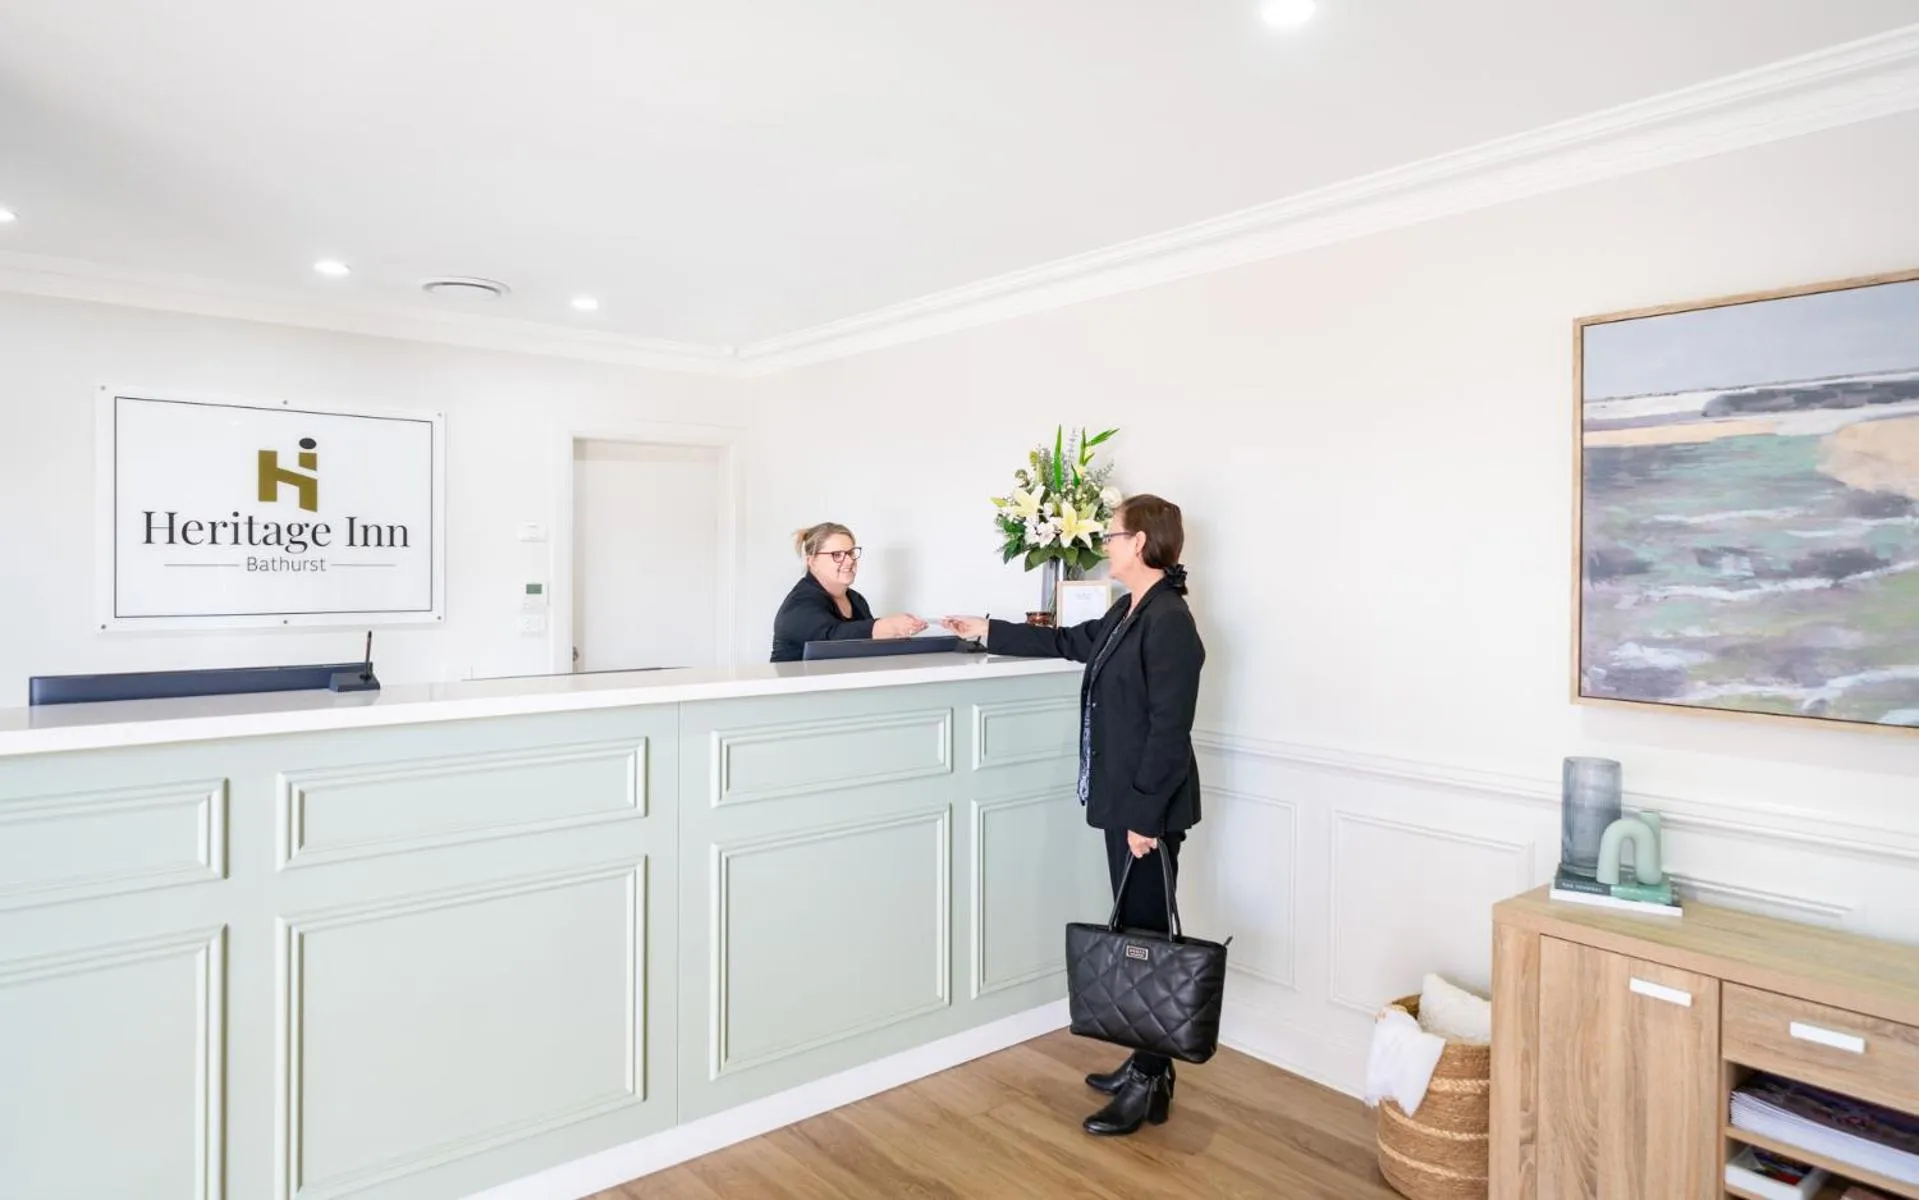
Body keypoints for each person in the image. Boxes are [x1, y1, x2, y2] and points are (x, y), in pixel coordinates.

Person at [941, 493, 1204, 1138]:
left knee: (1144, 939)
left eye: (1112, 536)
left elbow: (1170, 729)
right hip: (1125, 802)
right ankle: (1151, 1069)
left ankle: (1148, 1079)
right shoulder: (1128, 609)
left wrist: (1144, 818)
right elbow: (1068, 641)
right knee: (1139, 933)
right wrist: (985, 630)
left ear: (1140, 543)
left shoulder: (1169, 620)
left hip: (1151, 810)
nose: (1105, 545)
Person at [770, 523, 926, 662]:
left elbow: (868, 649)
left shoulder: (856, 599)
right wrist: (885, 627)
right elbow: (831, 639)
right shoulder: (799, 605)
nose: (850, 560)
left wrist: (898, 631)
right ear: (812, 562)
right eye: (837, 555)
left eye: (851, 553)